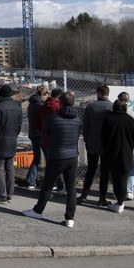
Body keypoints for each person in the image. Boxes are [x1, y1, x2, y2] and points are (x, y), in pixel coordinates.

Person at [23, 91, 82, 228]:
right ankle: (70, 218)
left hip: (57, 155)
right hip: (73, 156)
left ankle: (38, 210)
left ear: (60, 103)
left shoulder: (53, 119)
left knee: (47, 185)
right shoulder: (77, 120)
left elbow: (45, 136)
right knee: (71, 187)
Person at [0, 84, 23, 204]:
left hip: (0, 141)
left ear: (0, 94)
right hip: (12, 140)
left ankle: (2, 195)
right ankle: (10, 193)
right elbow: (19, 126)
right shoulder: (17, 107)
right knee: (10, 168)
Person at [100, 98, 134, 213]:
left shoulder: (108, 119)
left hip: (112, 152)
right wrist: (129, 146)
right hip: (126, 153)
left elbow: (103, 137)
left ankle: (119, 202)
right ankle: (120, 202)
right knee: (123, 178)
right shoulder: (130, 120)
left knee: (115, 178)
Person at [78, 85, 113, 206]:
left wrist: (87, 140)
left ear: (98, 93)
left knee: (91, 170)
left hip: (92, 143)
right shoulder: (112, 107)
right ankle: (102, 197)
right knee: (105, 171)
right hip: (107, 144)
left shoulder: (91, 107)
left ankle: (84, 194)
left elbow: (85, 126)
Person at [35, 87, 65, 194]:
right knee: (58, 164)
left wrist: (43, 134)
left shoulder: (42, 107)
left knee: (50, 163)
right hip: (57, 140)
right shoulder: (58, 107)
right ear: (59, 97)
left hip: (45, 139)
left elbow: (37, 124)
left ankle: (51, 185)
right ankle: (58, 185)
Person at [25, 85, 48, 189]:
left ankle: (31, 181)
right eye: (46, 96)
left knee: (37, 158)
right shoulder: (40, 105)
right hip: (40, 134)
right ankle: (51, 181)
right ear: (42, 94)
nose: (46, 98)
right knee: (48, 157)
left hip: (32, 133)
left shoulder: (31, 103)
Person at [118, 92, 134, 200]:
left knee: (119, 167)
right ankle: (129, 190)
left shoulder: (114, 112)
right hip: (130, 143)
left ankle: (120, 190)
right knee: (132, 166)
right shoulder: (130, 114)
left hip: (119, 143)